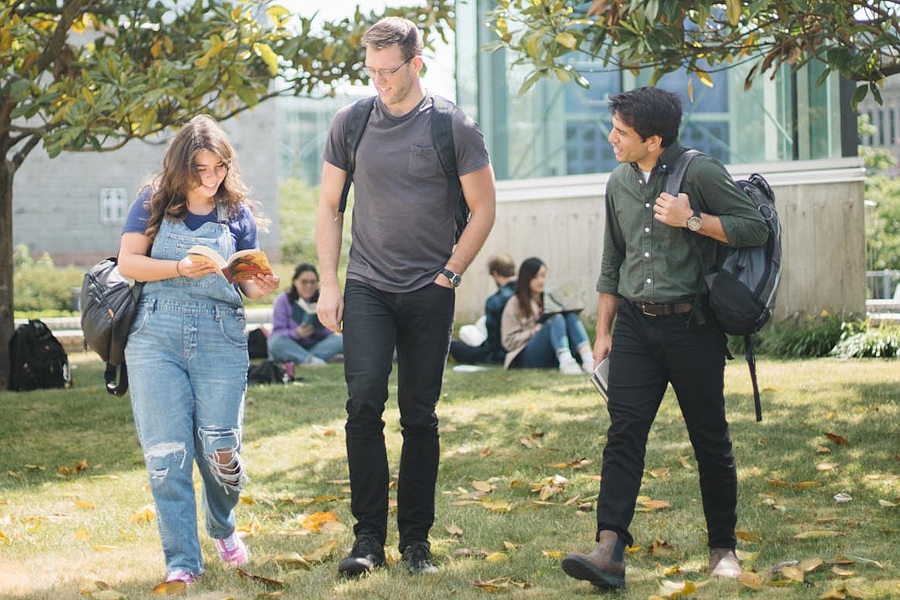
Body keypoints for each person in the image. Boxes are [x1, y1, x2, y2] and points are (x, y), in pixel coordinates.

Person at [560, 87, 769, 590]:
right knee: (624, 435)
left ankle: (723, 547)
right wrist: (604, 330)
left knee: (709, 438)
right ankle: (609, 547)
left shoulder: (700, 172)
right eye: (613, 128)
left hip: (693, 326)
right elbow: (614, 260)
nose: (612, 138)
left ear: (654, 140)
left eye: (622, 133)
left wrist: (692, 219)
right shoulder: (617, 181)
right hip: (634, 325)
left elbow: (755, 227)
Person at [315, 16, 496, 577]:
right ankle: (368, 539)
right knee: (363, 405)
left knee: (420, 414)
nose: (378, 80)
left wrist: (451, 273)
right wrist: (328, 280)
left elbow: (485, 209)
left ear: (416, 63)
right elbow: (329, 206)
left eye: (388, 70)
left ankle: (416, 542)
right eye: (370, 70)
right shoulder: (352, 122)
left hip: (429, 289)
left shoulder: (452, 126)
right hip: (367, 283)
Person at [117, 114, 280, 586]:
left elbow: (246, 288)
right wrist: (179, 269)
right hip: (154, 336)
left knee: (221, 453)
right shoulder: (153, 201)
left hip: (220, 337)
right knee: (168, 456)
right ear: (180, 166)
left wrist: (260, 286)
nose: (210, 180)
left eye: (218, 169)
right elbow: (129, 262)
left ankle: (223, 526)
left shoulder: (238, 212)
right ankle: (183, 562)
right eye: (200, 170)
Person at [500, 257, 594, 375]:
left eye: (543, 276)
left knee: (570, 316)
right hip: (527, 354)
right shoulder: (515, 303)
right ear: (526, 279)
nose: (541, 281)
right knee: (556, 319)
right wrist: (533, 331)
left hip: (552, 351)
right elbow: (508, 342)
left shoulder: (552, 297)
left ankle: (588, 358)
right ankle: (566, 362)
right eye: (535, 277)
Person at [268, 263, 343, 366]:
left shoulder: (322, 298)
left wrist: (317, 329)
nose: (309, 286)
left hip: (316, 344)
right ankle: (314, 359)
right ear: (295, 282)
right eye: (304, 282)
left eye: (313, 282)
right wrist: (297, 333)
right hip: (291, 344)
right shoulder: (282, 300)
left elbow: (329, 332)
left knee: (341, 340)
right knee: (275, 343)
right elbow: (277, 332)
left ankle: (306, 359)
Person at [448, 253, 516, 365]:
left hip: (498, 353)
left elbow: (493, 343)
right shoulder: (527, 293)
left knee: (453, 345)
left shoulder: (495, 301)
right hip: (518, 348)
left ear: (495, 273)